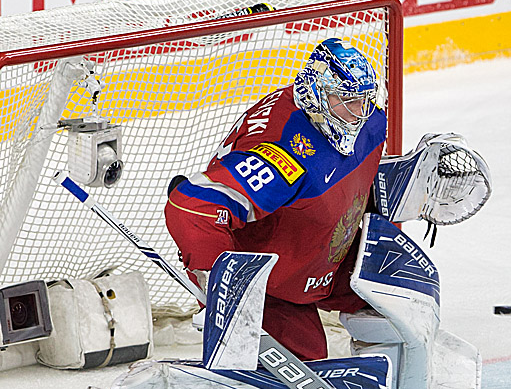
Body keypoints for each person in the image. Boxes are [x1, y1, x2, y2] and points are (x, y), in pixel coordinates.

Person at [164, 37, 385, 361]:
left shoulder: (367, 121)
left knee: (396, 292)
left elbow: (365, 177)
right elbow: (193, 208)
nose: (358, 113)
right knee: (303, 366)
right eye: (345, 100)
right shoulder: (283, 156)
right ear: (316, 94)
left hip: (322, 252)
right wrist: (223, 292)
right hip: (270, 280)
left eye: (363, 99)